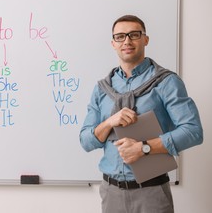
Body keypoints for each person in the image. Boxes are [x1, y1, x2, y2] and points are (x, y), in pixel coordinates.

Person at [79, 15, 203, 213]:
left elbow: (193, 131)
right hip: (110, 193)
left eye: (134, 35)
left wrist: (143, 148)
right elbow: (86, 141)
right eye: (120, 36)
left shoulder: (167, 82)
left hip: (151, 192)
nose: (127, 41)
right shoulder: (102, 89)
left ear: (145, 39)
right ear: (113, 43)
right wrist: (109, 122)